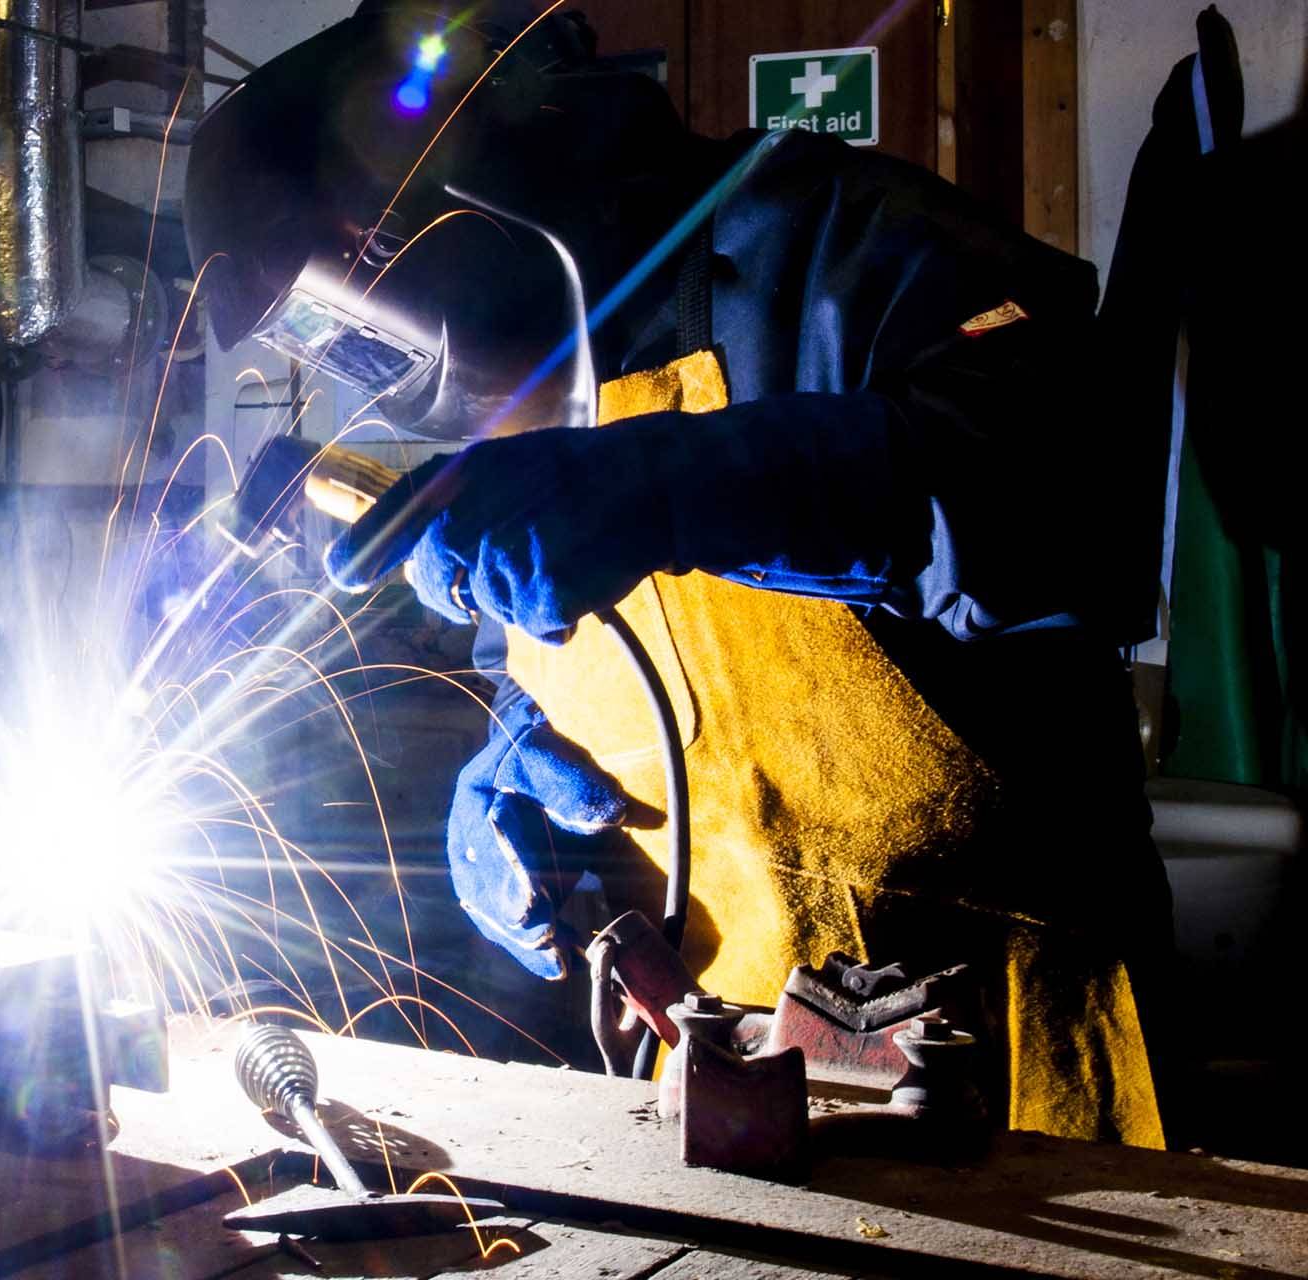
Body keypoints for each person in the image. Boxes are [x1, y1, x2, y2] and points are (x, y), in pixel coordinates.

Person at [184, 0, 1175, 1146]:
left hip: (1011, 1048)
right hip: (734, 1066)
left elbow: (1073, 514)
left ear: (451, 208)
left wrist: (672, 491)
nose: (372, 363)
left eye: (352, 317)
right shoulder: (542, 390)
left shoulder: (834, 241)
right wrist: (523, 761)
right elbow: (562, 666)